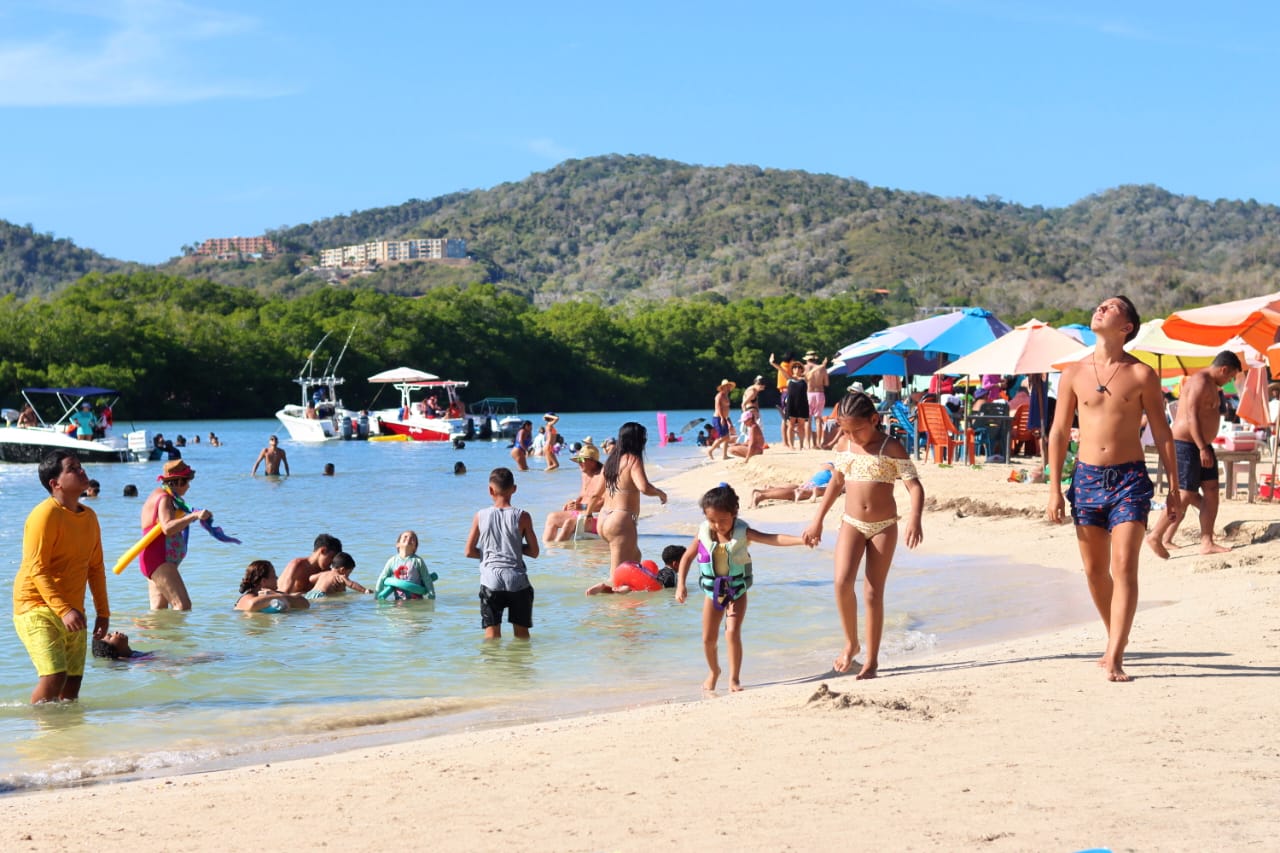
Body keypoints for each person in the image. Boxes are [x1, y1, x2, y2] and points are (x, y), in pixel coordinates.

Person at [1047, 296, 1180, 683]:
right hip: (1086, 478)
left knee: (1123, 566)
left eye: (1111, 307)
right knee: (1094, 571)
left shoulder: (1142, 375)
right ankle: (1113, 637)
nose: (1100, 309)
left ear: (1127, 327)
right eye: (1099, 305)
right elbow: (1057, 432)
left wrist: (1173, 486)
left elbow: (1163, 432)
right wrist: (1054, 487)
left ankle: (1115, 654)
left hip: (1130, 480)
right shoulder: (1072, 372)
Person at [803, 390, 925, 679]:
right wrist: (817, 520)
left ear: (873, 419)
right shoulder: (845, 445)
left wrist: (915, 519)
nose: (853, 436)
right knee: (842, 582)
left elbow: (915, 486)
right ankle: (851, 643)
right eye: (846, 430)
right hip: (851, 523)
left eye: (857, 429)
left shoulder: (890, 447)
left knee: (872, 593)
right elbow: (835, 483)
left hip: (884, 526)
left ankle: (872, 660)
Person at [676, 485, 807, 692]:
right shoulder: (703, 532)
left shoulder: (743, 532)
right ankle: (714, 671)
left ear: (734, 513)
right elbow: (687, 557)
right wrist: (681, 584)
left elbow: (772, 538)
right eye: (712, 520)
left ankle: (734, 679)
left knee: (732, 632)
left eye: (723, 520)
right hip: (713, 592)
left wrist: (801, 540)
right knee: (708, 639)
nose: (718, 526)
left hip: (737, 590)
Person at [12, 450, 110, 703]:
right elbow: (36, 568)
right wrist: (64, 609)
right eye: (72, 469)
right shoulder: (45, 515)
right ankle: (39, 732)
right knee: (54, 675)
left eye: (80, 466)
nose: (81, 471)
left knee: (73, 684)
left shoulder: (89, 517)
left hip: (73, 609)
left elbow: (95, 568)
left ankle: (65, 741)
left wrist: (103, 613)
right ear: (55, 484)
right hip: (36, 606)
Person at [1146, 351, 1242, 558]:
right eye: (1230, 376)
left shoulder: (1213, 386)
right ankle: (1155, 535)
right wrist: (1201, 447)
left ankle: (1207, 541)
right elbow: (1191, 416)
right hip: (1187, 443)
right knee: (1186, 493)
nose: (1229, 381)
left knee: (1212, 489)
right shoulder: (1200, 381)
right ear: (1223, 369)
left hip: (1202, 443)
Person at [464, 467, 540, 639]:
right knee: (522, 636)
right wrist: (512, 549)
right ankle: (519, 666)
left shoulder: (480, 515)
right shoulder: (523, 516)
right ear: (514, 489)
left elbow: (468, 551)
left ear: (490, 490)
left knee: (491, 636)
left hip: (491, 581)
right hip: (517, 581)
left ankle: (493, 666)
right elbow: (534, 552)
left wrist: (488, 554)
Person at [139, 460, 212, 610]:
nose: (189, 486)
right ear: (178, 481)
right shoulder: (164, 498)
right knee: (183, 605)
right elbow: (167, 528)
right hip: (158, 559)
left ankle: (134, 632)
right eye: (187, 482)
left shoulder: (162, 495)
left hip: (153, 559)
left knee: (159, 613)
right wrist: (194, 516)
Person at [598, 422, 668, 572]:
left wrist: (588, 512)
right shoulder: (633, 460)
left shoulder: (611, 460)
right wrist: (660, 493)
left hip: (604, 518)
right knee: (617, 574)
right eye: (644, 437)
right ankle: (602, 590)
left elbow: (596, 493)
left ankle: (631, 594)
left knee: (635, 559)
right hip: (620, 520)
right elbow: (644, 487)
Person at [543, 443, 606, 542]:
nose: (578, 463)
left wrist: (583, 507)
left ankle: (558, 550)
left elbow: (605, 504)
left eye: (581, 460)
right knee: (552, 517)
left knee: (569, 522)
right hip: (580, 513)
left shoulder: (604, 476)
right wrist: (573, 503)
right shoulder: (585, 474)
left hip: (595, 517)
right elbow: (582, 495)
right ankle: (549, 552)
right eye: (578, 460)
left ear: (593, 462)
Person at [586, 545, 682, 595]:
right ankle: (624, 589)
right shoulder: (672, 575)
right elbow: (666, 590)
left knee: (624, 590)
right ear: (675, 564)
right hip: (646, 582)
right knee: (633, 591)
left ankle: (604, 588)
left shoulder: (661, 571)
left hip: (629, 570)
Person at [375, 530, 437, 600]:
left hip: (416, 601)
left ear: (415, 547)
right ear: (397, 544)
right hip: (399, 601)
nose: (409, 538)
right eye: (405, 536)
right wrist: (377, 596)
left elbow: (427, 579)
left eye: (412, 538)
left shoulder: (418, 561)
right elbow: (382, 578)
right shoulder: (392, 561)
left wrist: (431, 596)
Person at [277, 533, 343, 594]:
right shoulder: (297, 565)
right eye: (331, 558)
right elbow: (283, 593)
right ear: (323, 551)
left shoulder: (327, 573)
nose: (332, 563)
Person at [236, 560, 311, 612]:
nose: (276, 578)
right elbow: (252, 604)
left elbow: (305, 604)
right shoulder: (247, 598)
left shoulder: (274, 593)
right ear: (264, 581)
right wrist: (277, 597)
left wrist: (277, 595)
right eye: (273, 575)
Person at [751, 461, 836, 507]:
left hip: (813, 480)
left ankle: (769, 490)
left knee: (797, 487)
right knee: (794, 493)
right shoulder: (838, 469)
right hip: (816, 484)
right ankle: (762, 496)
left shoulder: (832, 464)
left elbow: (822, 465)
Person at [307, 551, 372, 598]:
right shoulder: (340, 577)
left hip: (310, 594)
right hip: (321, 596)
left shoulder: (323, 573)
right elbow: (351, 584)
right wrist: (364, 590)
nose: (348, 575)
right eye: (349, 572)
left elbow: (311, 578)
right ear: (342, 570)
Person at [769, 351, 797, 445]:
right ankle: (786, 442)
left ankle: (786, 442)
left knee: (785, 418)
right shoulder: (785, 367)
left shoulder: (783, 365)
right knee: (786, 418)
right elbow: (788, 376)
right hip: (787, 392)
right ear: (791, 359)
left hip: (784, 393)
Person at [804, 351, 830, 448]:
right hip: (820, 393)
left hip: (809, 394)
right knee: (818, 420)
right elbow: (826, 383)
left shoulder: (805, 368)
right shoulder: (822, 368)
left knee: (808, 420)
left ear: (807, 359)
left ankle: (808, 444)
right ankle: (818, 443)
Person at [706, 379, 736, 460]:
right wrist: (722, 418)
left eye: (729, 386)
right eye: (727, 386)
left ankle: (724, 455)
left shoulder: (726, 395)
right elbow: (718, 407)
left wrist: (729, 421)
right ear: (723, 387)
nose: (728, 387)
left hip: (724, 418)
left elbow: (727, 409)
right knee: (724, 437)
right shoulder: (719, 395)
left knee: (727, 437)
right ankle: (710, 451)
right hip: (718, 418)